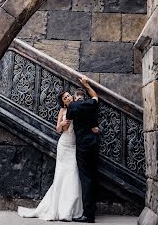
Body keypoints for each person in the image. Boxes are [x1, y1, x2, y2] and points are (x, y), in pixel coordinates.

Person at [17, 89, 84, 221]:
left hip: (74, 145)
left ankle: (70, 209)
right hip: (64, 145)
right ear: (63, 103)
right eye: (65, 98)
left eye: (69, 96)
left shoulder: (78, 107)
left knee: (73, 173)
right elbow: (58, 129)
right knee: (60, 175)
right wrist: (62, 124)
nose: (68, 98)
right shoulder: (62, 111)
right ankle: (58, 209)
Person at [67, 76, 100, 224]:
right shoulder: (91, 103)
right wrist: (86, 84)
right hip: (94, 142)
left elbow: (68, 121)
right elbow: (95, 96)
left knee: (85, 178)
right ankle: (92, 211)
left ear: (75, 97)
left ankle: (88, 215)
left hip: (82, 145)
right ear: (84, 97)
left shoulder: (73, 107)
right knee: (93, 177)